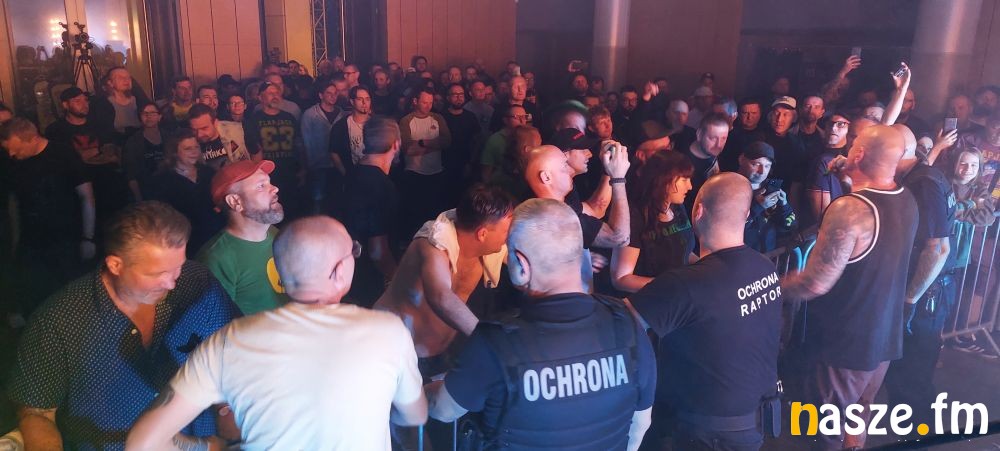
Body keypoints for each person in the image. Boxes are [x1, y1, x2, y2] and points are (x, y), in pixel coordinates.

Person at [126, 216, 427, 449]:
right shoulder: (387, 331)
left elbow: (142, 443)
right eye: (353, 253)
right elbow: (415, 415)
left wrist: (209, 448)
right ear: (339, 271)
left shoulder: (228, 341)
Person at [426, 198, 655, 450]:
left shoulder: (494, 341)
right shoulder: (628, 325)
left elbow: (442, 409)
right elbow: (641, 424)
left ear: (522, 265)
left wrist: (420, 389)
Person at [9, 201, 241, 450]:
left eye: (178, 267)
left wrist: (227, 408)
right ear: (115, 265)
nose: (172, 283)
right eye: (157, 274)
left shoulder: (197, 283)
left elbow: (234, 351)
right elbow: (37, 413)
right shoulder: (59, 321)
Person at [782, 125, 918, 450]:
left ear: (859, 154)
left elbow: (816, 282)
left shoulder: (849, 210)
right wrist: (848, 180)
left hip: (845, 345)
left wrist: (768, 286)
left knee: (825, 431)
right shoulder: (907, 199)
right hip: (884, 338)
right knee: (857, 419)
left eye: (854, 145)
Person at [628, 173, 782, 451]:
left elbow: (622, 321)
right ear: (746, 214)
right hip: (755, 421)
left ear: (697, 212)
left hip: (708, 434)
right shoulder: (765, 268)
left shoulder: (686, 284)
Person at [374, 185, 514, 367]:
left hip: (438, 355)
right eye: (506, 231)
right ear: (482, 234)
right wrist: (487, 340)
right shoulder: (433, 243)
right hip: (391, 350)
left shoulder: (491, 246)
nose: (509, 236)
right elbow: (441, 296)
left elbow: (528, 260)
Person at [884, 123, 956, 430]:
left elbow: (937, 248)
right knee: (908, 372)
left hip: (927, 295)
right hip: (926, 290)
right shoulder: (921, 175)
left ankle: (918, 434)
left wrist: (910, 299)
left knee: (913, 374)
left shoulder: (923, 183)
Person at [0, 118, 95, 318]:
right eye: (8, 150)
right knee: (35, 295)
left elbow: (86, 196)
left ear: (33, 138)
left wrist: (88, 237)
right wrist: (16, 241)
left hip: (65, 238)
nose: (12, 154)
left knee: (68, 295)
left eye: (17, 149)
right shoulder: (13, 162)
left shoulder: (62, 154)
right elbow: (13, 203)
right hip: (31, 241)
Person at [197, 160, 288, 315]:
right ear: (235, 202)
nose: (275, 188)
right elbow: (215, 323)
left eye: (269, 182)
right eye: (261, 186)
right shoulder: (216, 259)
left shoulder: (275, 234)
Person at [611, 151, 695, 293]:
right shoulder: (635, 217)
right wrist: (673, 286)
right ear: (664, 180)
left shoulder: (677, 207)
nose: (690, 186)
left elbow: (684, 251)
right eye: (684, 179)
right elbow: (621, 279)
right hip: (648, 300)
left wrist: (705, 268)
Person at [46, 86, 131, 223]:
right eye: (77, 101)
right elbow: (66, 160)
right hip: (76, 186)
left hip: (107, 185)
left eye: (85, 100)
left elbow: (113, 153)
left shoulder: (99, 125)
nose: (84, 104)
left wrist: (84, 155)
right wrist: (97, 151)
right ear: (65, 105)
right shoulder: (56, 130)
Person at [524, 144, 630, 251]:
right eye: (565, 166)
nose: (571, 171)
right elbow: (619, 238)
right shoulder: (558, 220)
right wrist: (618, 178)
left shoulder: (559, 205)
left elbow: (595, 209)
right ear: (546, 177)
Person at [342, 117, 402, 303]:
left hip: (350, 272)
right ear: (396, 144)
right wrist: (398, 279)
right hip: (372, 281)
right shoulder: (382, 186)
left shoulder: (353, 172)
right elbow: (378, 252)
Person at [149, 128, 223, 256]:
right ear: (174, 152)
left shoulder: (208, 172)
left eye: (196, 147)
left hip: (216, 237)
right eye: (188, 149)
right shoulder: (162, 180)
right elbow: (162, 216)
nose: (194, 152)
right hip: (187, 242)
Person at [245, 80, 307, 220]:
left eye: (277, 92)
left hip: (291, 173)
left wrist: (303, 168)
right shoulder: (254, 120)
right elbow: (253, 150)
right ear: (260, 97)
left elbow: (299, 145)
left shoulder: (289, 117)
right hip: (268, 175)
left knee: (293, 212)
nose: (275, 96)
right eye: (270, 93)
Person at [399, 87, 453, 236]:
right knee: (414, 210)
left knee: (434, 210)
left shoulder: (438, 118)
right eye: (424, 102)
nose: (428, 106)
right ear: (415, 101)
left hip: (436, 171)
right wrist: (434, 145)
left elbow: (447, 141)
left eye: (430, 102)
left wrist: (422, 143)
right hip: (414, 172)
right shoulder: (406, 121)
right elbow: (408, 149)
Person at [737, 141, 797, 253]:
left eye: (767, 166)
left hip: (768, 257)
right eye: (756, 164)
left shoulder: (772, 188)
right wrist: (758, 207)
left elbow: (791, 226)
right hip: (740, 257)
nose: (762, 171)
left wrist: (784, 206)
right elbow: (727, 228)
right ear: (741, 160)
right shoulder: (729, 188)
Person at [300, 80, 346, 214]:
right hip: (318, 164)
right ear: (321, 95)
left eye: (335, 93)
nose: (333, 96)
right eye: (329, 93)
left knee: (336, 198)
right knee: (318, 200)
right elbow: (305, 140)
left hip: (337, 164)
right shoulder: (310, 114)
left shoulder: (342, 114)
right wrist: (308, 164)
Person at [803, 112, 852, 227]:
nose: (833, 128)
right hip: (813, 222)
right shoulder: (813, 152)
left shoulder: (851, 158)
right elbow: (797, 185)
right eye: (830, 123)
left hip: (839, 221)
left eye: (840, 124)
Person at [677, 113, 729, 214]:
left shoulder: (716, 152)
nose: (718, 145)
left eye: (723, 138)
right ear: (699, 135)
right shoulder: (683, 166)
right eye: (713, 138)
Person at [763, 96, 807, 209]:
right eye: (776, 113)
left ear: (794, 118)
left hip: (783, 198)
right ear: (770, 116)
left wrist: (791, 210)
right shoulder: (759, 139)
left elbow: (796, 181)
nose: (779, 119)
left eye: (786, 114)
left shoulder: (796, 145)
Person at [442, 83, 482, 202]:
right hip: (445, 164)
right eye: (455, 94)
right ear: (448, 97)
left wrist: (471, 162)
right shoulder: (441, 116)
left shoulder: (470, 117)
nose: (459, 97)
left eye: (461, 94)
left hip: (466, 163)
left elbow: (477, 141)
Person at [89, 66, 148, 146]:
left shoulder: (140, 101)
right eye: (120, 77)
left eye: (128, 77)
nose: (126, 80)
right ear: (110, 83)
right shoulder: (103, 105)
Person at [123, 102, 166, 200]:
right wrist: (139, 198)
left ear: (159, 117)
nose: (148, 116)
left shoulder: (168, 137)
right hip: (146, 189)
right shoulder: (133, 142)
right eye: (144, 113)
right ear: (140, 117)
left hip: (169, 186)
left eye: (152, 113)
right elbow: (131, 175)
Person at [187, 103, 250, 170]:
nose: (199, 134)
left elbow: (255, 153)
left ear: (215, 123)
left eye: (204, 128)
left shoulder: (238, 130)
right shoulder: (189, 143)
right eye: (194, 130)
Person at [329, 85, 373, 178]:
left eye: (367, 99)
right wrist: (346, 174)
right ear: (352, 102)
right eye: (360, 99)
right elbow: (334, 152)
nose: (364, 102)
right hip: (352, 173)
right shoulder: (341, 126)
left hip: (374, 174)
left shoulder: (377, 124)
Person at [480, 104, 528, 183]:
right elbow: (486, 172)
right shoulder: (495, 140)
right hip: (500, 185)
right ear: (505, 120)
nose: (522, 121)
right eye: (517, 117)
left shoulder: (529, 137)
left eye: (524, 117)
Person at [719, 98, 765, 172]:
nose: (749, 117)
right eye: (745, 113)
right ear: (739, 114)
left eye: (754, 113)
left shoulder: (766, 135)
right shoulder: (729, 134)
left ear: (760, 114)